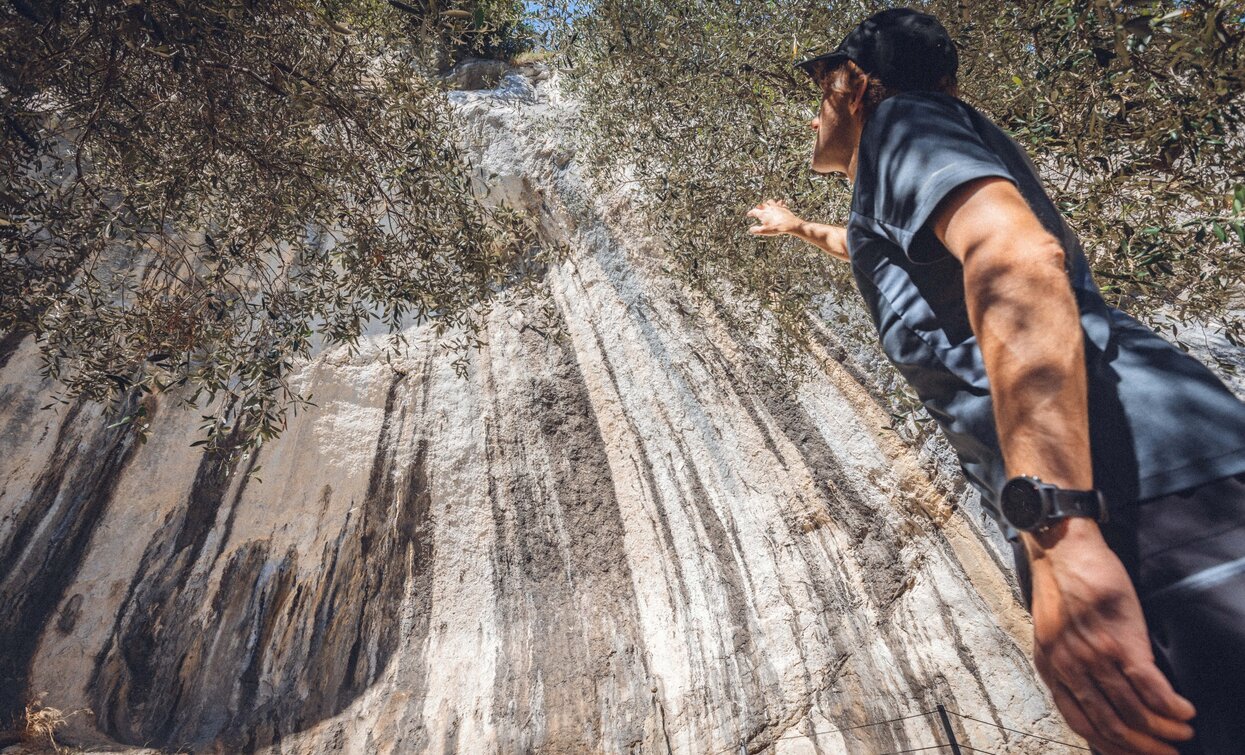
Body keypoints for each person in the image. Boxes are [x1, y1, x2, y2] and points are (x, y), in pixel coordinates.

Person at [746, 8, 1245, 755]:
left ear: (855, 84)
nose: (815, 111)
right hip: (1142, 483)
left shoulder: (903, 124)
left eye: (821, 85)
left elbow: (1014, 259)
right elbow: (875, 247)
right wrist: (798, 228)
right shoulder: (906, 165)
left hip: (1143, 492)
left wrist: (1059, 532)